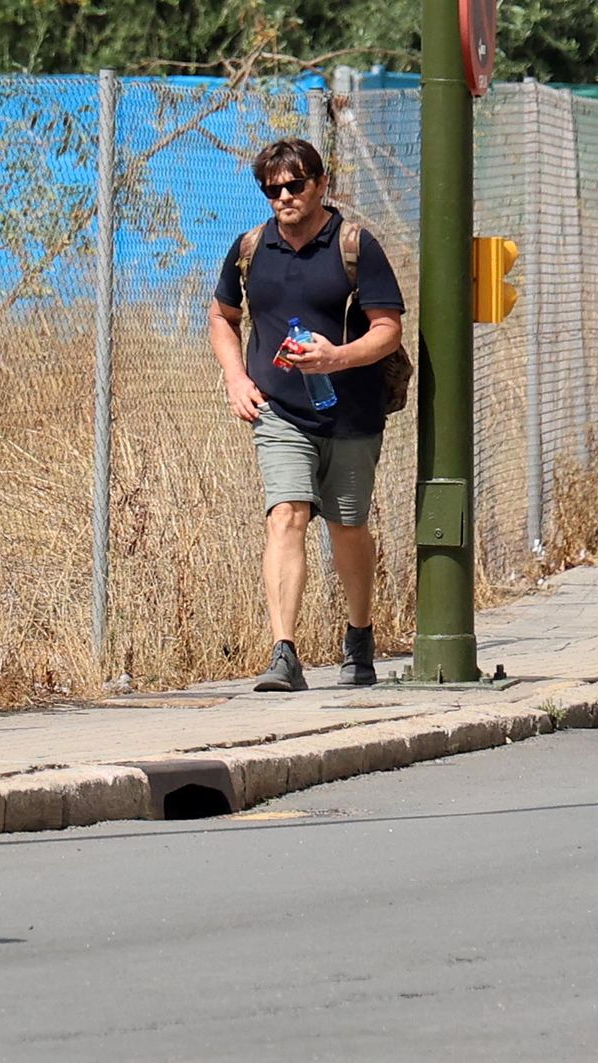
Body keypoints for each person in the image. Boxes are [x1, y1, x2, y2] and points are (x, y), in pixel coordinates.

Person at [208, 138, 405, 692]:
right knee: (285, 515)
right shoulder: (250, 248)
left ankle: (359, 636)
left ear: (320, 184)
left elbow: (388, 329)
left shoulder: (354, 245)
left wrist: (335, 356)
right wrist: (236, 378)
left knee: (347, 526)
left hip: (351, 412)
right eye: (273, 189)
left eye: (296, 185)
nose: (284, 197)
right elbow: (222, 317)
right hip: (279, 411)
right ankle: (284, 654)